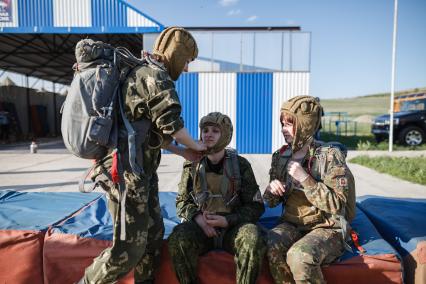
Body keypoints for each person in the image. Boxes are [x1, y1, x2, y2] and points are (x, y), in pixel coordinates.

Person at [79, 27, 206, 284]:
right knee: (126, 251)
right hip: (126, 174)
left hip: (141, 173)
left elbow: (151, 133)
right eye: (187, 61)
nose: (186, 69)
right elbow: (172, 124)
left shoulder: (145, 72)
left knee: (152, 237)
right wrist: (197, 146)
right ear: (177, 54)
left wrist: (182, 152)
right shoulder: (155, 75)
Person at [264, 95, 356, 284]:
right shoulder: (281, 157)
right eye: (282, 124)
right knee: (270, 243)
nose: (283, 129)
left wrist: (305, 179)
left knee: (300, 256)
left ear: (304, 125)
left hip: (327, 226)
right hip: (292, 224)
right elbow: (271, 202)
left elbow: (337, 204)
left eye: (289, 124)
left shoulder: (330, 157)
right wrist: (271, 190)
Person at [167, 112, 266, 284]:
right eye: (205, 130)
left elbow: (256, 206)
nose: (208, 134)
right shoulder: (192, 164)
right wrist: (198, 219)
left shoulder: (240, 165)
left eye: (215, 131)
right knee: (178, 237)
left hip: (232, 228)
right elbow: (182, 201)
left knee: (252, 236)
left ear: (225, 135)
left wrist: (228, 220)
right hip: (202, 229)